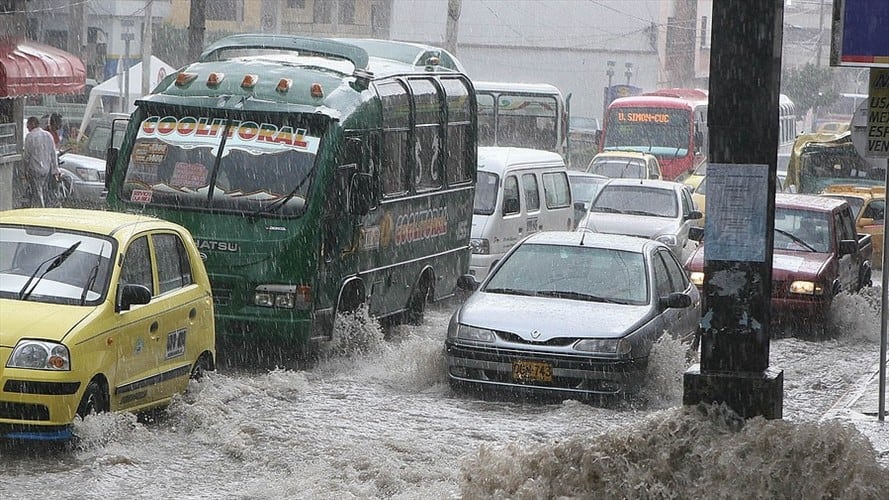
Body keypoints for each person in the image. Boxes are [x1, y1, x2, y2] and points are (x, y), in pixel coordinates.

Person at [21, 116, 61, 208]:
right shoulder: (48, 135)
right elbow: (53, 154)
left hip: (34, 169)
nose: (27, 128)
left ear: (33, 124)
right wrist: (55, 169)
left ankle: (40, 208)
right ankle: (42, 205)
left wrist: (23, 171)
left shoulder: (30, 136)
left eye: (28, 126)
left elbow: (27, 156)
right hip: (46, 169)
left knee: (37, 191)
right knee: (43, 190)